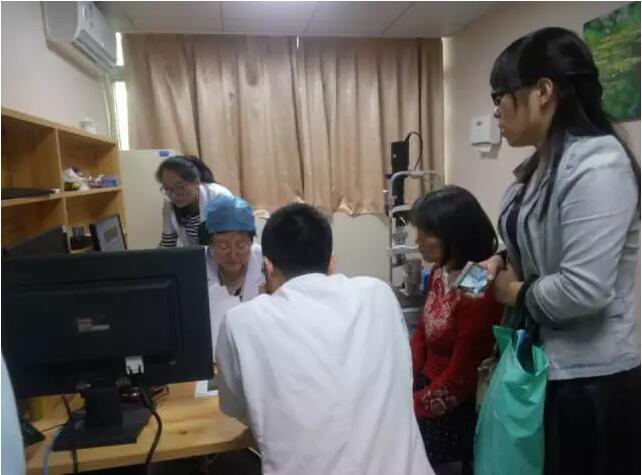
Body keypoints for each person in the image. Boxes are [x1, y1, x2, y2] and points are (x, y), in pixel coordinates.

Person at [481, 27, 640, 475]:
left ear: (543, 91)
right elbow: (532, 236)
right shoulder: (539, 165)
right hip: (546, 367)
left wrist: (512, 292)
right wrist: (501, 258)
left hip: (592, 383)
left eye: (500, 96)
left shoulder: (598, 164)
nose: (495, 111)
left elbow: (583, 290)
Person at [215, 203, 432, 475]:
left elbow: (234, 406)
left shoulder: (241, 321)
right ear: (331, 261)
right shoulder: (379, 294)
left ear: (267, 266)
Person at [409, 186, 503, 474]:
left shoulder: (476, 281)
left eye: (426, 233)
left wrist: (413, 405)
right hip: (427, 385)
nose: (417, 240)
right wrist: (406, 378)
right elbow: (423, 332)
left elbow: (463, 374)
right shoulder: (440, 270)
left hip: (454, 404)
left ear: (455, 235)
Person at [203, 194, 264, 357]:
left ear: (252, 242)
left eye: (241, 245)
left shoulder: (266, 262)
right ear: (211, 244)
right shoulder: (197, 266)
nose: (232, 254)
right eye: (223, 246)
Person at [156, 155, 232, 248]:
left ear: (197, 182)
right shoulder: (170, 205)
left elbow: (230, 242)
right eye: (167, 189)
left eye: (180, 187)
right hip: (195, 255)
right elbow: (167, 243)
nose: (173, 195)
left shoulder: (219, 197)